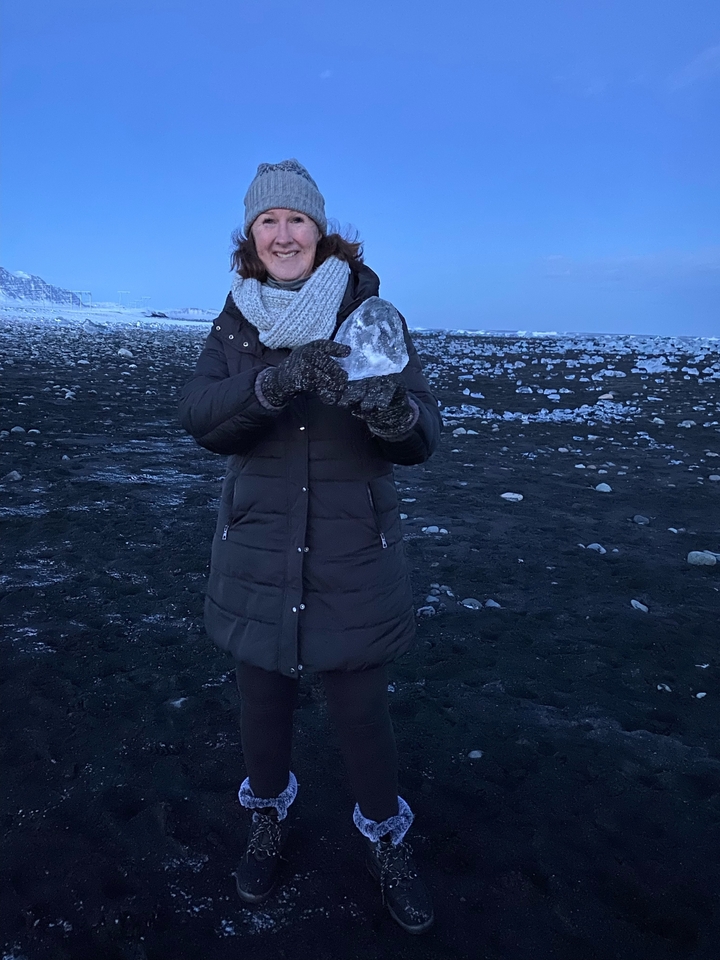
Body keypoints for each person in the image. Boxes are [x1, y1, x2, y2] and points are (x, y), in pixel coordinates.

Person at [178, 159, 441, 934]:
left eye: (297, 219)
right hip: (256, 549)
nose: (284, 233)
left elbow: (423, 432)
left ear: (322, 233)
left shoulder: (371, 314)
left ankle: (388, 841)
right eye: (269, 221)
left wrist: (389, 409)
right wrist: (274, 382)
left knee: (362, 711)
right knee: (262, 704)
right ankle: (267, 821)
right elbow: (198, 416)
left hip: (351, 551)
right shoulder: (234, 322)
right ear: (250, 238)